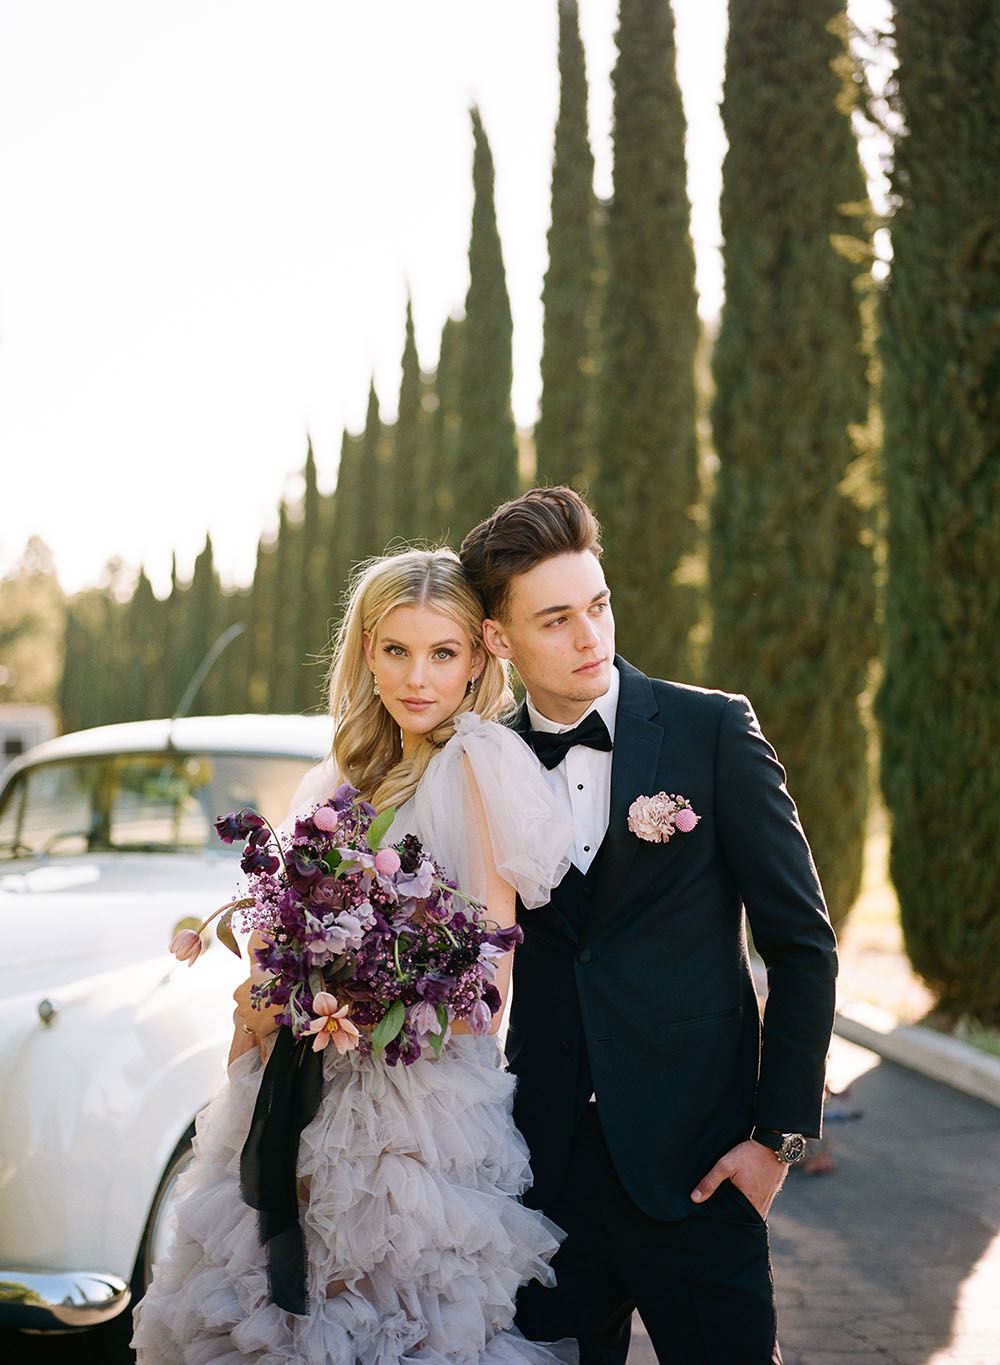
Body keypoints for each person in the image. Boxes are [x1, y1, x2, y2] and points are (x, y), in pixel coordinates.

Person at [132, 547, 578, 1364]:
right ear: (366, 652)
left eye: (443, 653)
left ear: (478, 657)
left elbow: (489, 966)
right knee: (270, 1301)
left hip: (415, 1098)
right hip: (300, 1069)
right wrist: (278, 982)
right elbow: (294, 914)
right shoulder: (342, 771)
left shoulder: (477, 763)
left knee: (378, 1315)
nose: (419, 677)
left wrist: (366, 993)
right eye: (397, 650)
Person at [459, 488, 839, 1365]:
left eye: (598, 605)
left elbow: (802, 942)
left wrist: (774, 1144)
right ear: (496, 637)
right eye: (555, 620)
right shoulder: (483, 764)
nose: (591, 636)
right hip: (543, 1181)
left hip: (704, 1177)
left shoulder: (711, 730)